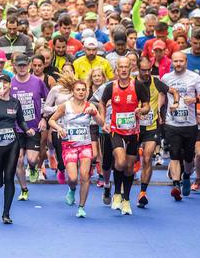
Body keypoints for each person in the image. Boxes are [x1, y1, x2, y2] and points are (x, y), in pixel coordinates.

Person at [99, 57, 150, 215]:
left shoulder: (138, 85)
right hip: (116, 130)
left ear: (130, 68)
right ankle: (116, 193)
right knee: (120, 162)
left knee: (129, 168)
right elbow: (102, 102)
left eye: (126, 67)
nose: (123, 69)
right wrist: (103, 120)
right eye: (120, 67)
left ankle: (126, 200)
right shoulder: (111, 87)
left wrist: (141, 110)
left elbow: (147, 105)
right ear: (116, 69)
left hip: (133, 132)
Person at [49, 74, 105, 218]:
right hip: (69, 146)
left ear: (86, 92)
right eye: (78, 90)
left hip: (85, 145)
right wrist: (59, 128)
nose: (80, 92)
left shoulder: (89, 106)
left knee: (85, 176)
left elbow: (101, 123)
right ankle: (72, 189)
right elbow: (51, 120)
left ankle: (81, 207)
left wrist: (95, 113)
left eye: (83, 90)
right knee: (73, 178)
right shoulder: (65, 106)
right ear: (73, 92)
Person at [0, 73, 32, 224]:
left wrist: (27, 130)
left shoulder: (15, 102)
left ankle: (6, 213)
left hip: (12, 143)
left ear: (10, 85)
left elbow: (21, 121)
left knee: (9, 177)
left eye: (5, 83)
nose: (2, 86)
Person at [161, 52, 200, 201]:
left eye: (181, 61)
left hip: (190, 124)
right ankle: (176, 185)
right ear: (172, 63)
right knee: (174, 154)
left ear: (186, 62)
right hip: (171, 123)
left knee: (188, 157)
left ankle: (186, 176)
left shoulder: (195, 77)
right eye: (175, 61)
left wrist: (195, 99)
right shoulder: (166, 78)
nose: (178, 64)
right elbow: (162, 95)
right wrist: (158, 109)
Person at [136, 56, 175, 207]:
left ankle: (143, 192)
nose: (146, 73)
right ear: (138, 69)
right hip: (134, 127)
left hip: (151, 127)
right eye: (143, 70)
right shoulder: (132, 83)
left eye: (148, 70)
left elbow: (172, 91)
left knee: (147, 158)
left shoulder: (155, 81)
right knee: (128, 162)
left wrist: (176, 102)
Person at [10, 54, 49, 200]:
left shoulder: (37, 82)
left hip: (33, 127)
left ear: (29, 65)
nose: (21, 68)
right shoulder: (11, 83)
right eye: (19, 65)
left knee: (32, 159)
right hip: (16, 128)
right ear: (14, 66)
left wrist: (44, 118)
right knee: (18, 160)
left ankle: (32, 167)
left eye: (24, 65)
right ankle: (24, 189)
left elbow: (48, 100)